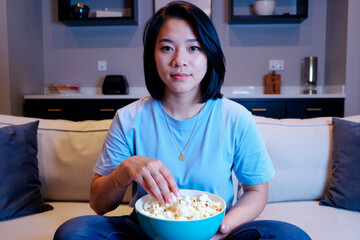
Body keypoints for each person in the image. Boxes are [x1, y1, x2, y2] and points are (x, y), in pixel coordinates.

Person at [54, 1, 311, 239]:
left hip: (217, 231)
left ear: (209, 54)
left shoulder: (236, 118)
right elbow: (99, 205)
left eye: (194, 47)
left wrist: (222, 229)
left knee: (290, 235)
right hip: (148, 230)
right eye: (167, 47)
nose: (179, 60)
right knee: (75, 232)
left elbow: (256, 191)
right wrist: (124, 170)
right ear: (152, 55)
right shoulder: (128, 118)